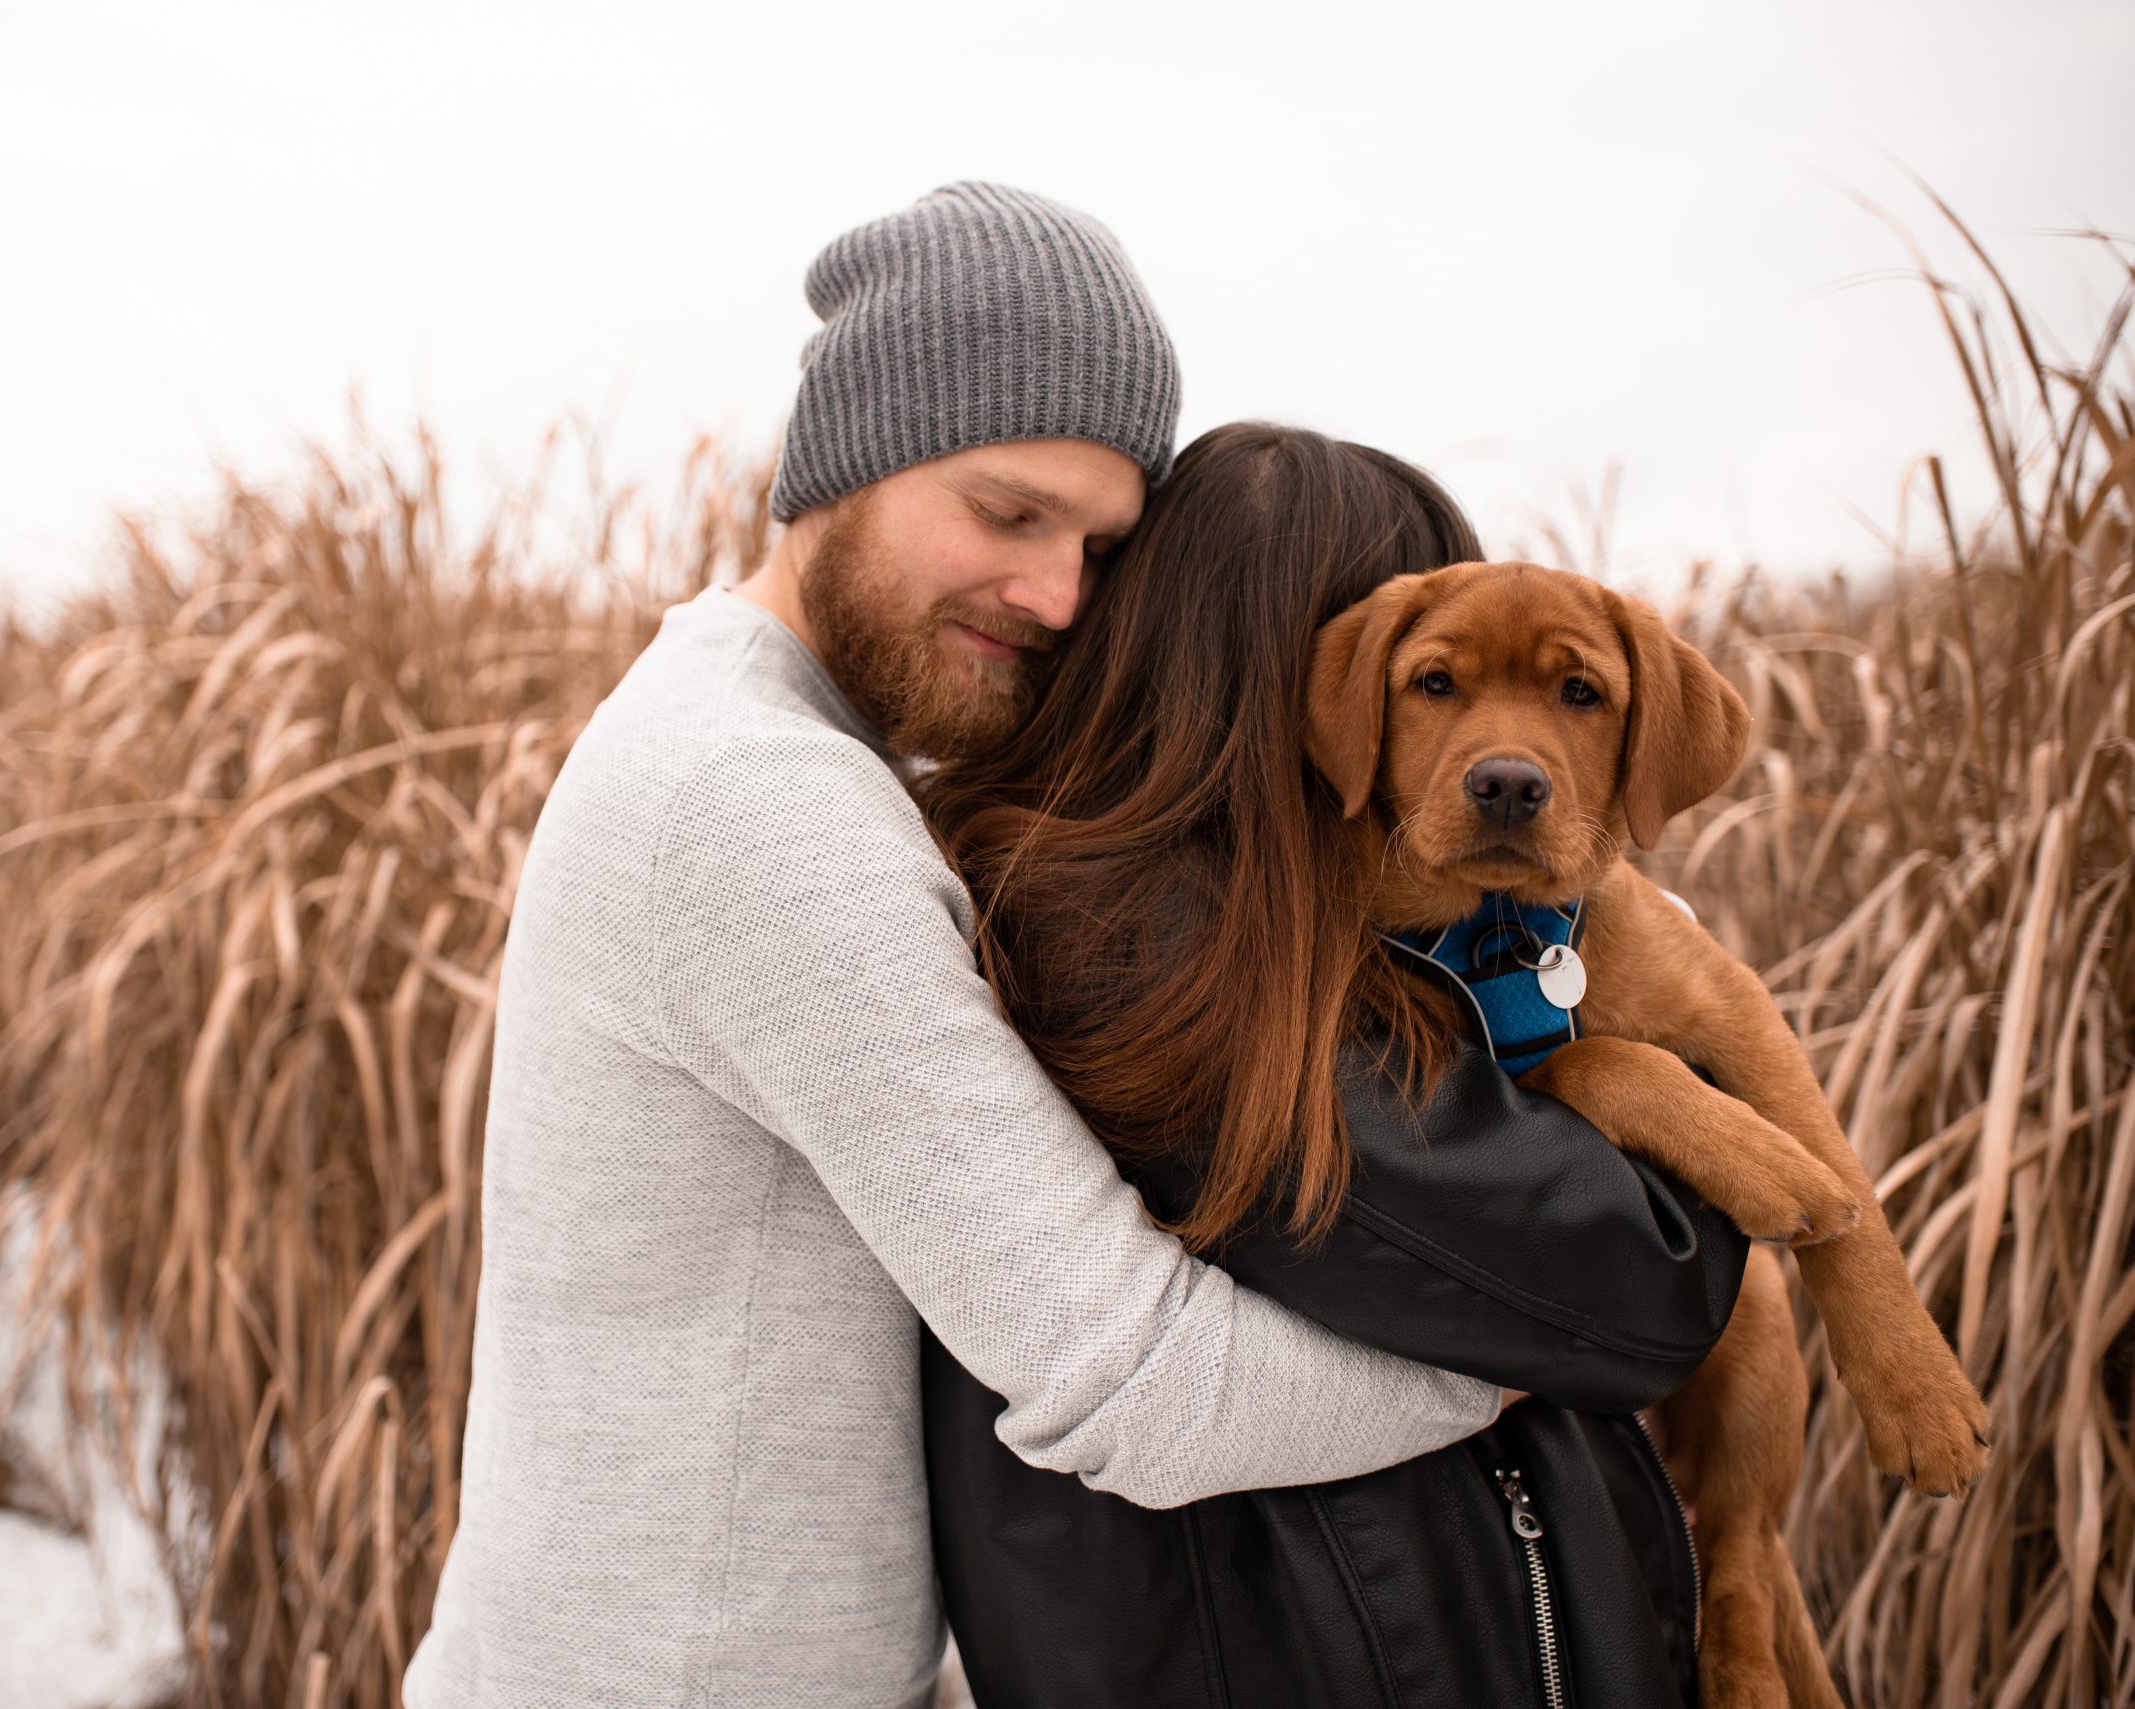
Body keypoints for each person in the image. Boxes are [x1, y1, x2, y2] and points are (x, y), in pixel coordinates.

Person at [400, 182, 1733, 1709]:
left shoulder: (799, 752)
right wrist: (1523, 1359)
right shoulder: (754, 807)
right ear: (843, 462)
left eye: (1100, 546)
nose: (1051, 596)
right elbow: (1135, 1382)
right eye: (1004, 509)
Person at [914, 421, 1751, 1706]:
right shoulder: (1152, 957)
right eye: (1433, 680)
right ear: (1299, 678)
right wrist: (1659, 1071)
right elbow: (1643, 1281)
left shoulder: (1267, 910)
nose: (1481, 733)